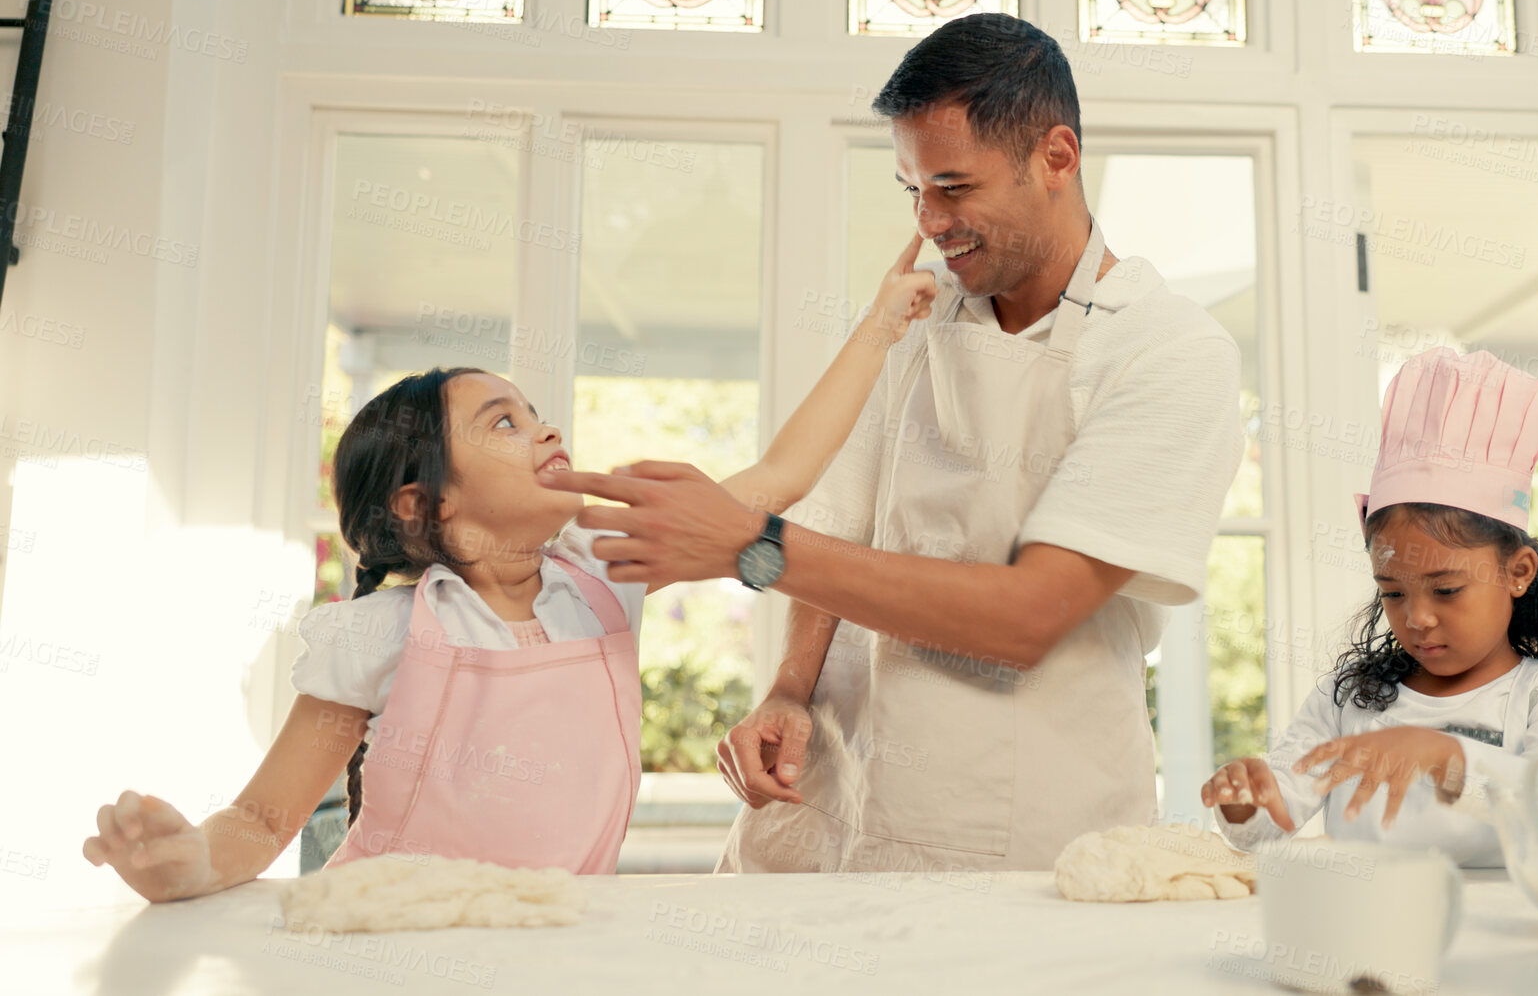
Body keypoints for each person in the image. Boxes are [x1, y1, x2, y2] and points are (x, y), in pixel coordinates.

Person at [539, 13, 1244, 873]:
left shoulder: (1167, 349)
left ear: (1056, 158)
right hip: (830, 791)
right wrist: (790, 686)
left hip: (1019, 833)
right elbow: (839, 519)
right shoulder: (914, 316)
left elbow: (1028, 614)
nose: (929, 219)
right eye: (910, 189)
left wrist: (751, 546)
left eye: (953, 186)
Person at [79, 275, 935, 902]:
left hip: (549, 948)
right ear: (426, 501)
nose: (546, 426)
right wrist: (184, 861)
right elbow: (263, 822)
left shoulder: (600, 574)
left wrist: (878, 327)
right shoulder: (380, 632)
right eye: (503, 421)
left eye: (533, 410)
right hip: (392, 952)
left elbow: (774, 477)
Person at [1203, 347, 1538, 868]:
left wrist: (1448, 757)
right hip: (1370, 929)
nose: (1417, 618)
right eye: (1392, 592)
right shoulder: (1350, 700)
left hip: (1506, 938)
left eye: (1447, 590)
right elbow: (1269, 824)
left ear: (1518, 572)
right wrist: (1245, 801)